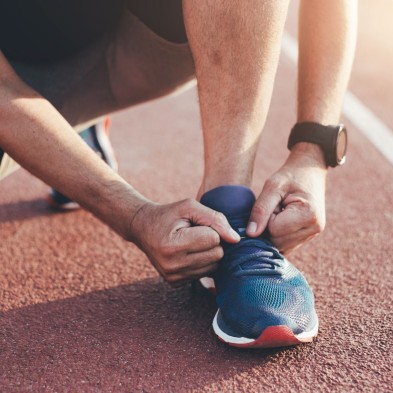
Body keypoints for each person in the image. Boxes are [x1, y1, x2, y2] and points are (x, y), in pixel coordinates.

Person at [0, 0, 357, 348]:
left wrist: (313, 152)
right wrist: (135, 215)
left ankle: (229, 212)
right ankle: (65, 136)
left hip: (124, 50)